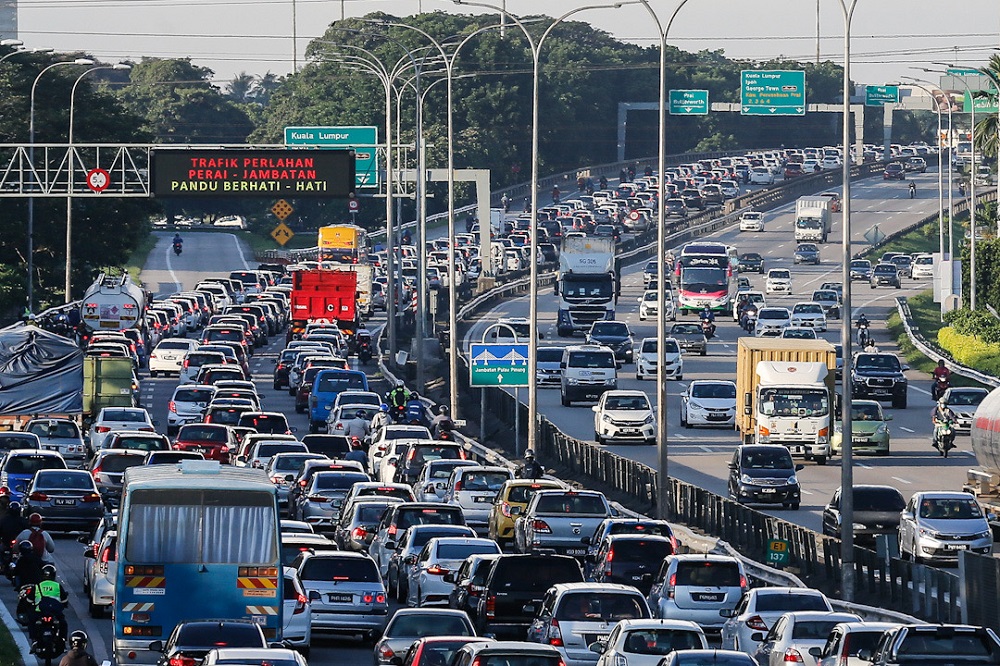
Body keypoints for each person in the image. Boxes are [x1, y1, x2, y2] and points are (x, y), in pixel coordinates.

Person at [29, 563, 68, 647]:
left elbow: (29, 600)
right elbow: (64, 600)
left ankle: (34, 639)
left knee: (31, 622)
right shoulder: (57, 586)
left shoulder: (37, 586)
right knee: (63, 624)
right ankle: (63, 641)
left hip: (40, 612)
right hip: (55, 612)